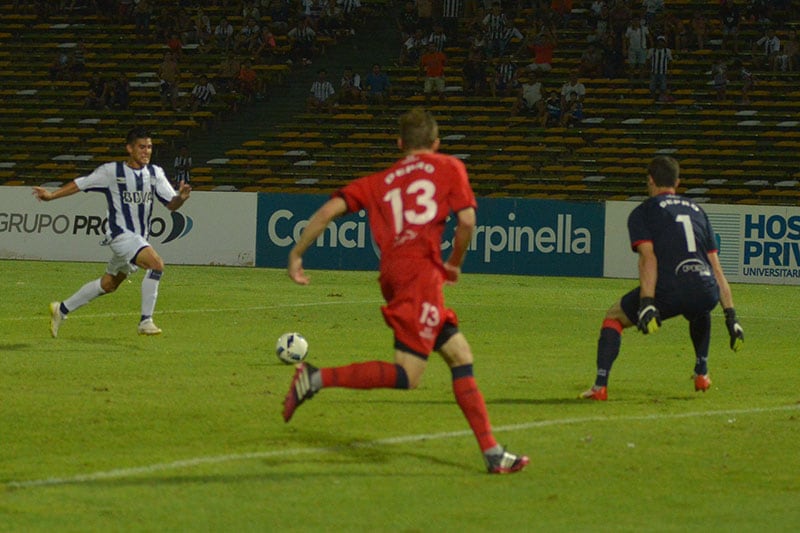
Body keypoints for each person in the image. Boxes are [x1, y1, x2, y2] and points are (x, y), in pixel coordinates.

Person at [281, 108, 529, 474]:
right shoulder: (448, 167)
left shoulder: (379, 180)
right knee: (408, 375)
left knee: (460, 355)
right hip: (420, 277)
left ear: (400, 144)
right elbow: (467, 221)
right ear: (436, 143)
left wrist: (297, 254)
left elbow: (328, 211)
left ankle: (492, 452)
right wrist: (455, 262)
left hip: (396, 273)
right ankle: (315, 378)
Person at [580, 156, 744, 401]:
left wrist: (647, 302)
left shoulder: (643, 212)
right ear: (677, 181)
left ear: (650, 180)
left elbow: (648, 258)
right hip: (705, 287)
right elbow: (716, 268)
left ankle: (599, 387)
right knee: (698, 305)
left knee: (613, 317)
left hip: (669, 288)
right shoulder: (698, 211)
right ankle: (702, 372)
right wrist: (732, 316)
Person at [32, 127, 192, 337]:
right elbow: (80, 184)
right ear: (129, 148)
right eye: (142, 147)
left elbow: (171, 205)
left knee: (109, 284)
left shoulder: (155, 173)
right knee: (156, 264)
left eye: (150, 147)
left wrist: (180, 197)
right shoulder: (111, 172)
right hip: (120, 235)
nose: (146, 151)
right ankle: (146, 321)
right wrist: (52, 196)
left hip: (139, 238)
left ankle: (60, 310)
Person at [647, 35, 674, 102]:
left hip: (663, 72)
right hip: (654, 72)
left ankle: (661, 99)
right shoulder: (652, 50)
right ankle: (653, 100)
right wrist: (647, 70)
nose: (660, 43)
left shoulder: (667, 51)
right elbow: (647, 60)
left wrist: (670, 71)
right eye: (659, 41)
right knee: (652, 88)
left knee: (663, 88)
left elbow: (670, 61)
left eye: (662, 41)